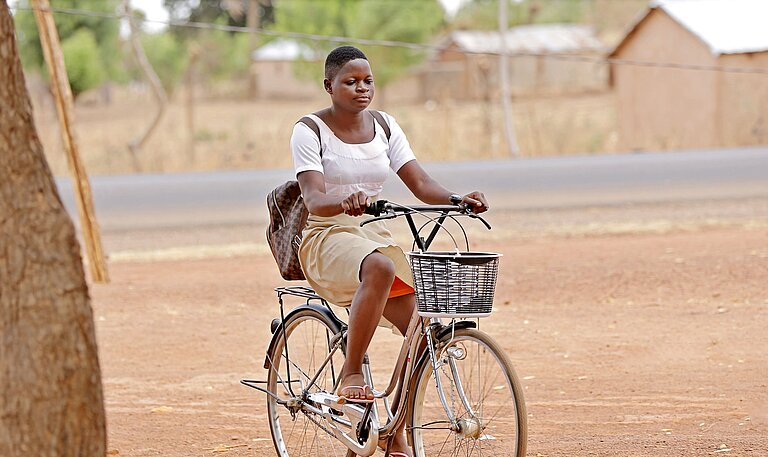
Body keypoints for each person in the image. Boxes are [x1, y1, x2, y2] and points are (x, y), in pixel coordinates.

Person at [291, 45, 488, 457]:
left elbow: (419, 182)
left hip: (368, 234)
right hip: (325, 234)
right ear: (329, 86)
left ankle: (391, 428)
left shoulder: (384, 125)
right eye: (350, 82)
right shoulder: (309, 130)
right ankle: (350, 374)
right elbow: (312, 197)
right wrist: (342, 201)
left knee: (422, 318)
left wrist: (456, 198)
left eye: (368, 81)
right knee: (379, 267)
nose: (361, 89)